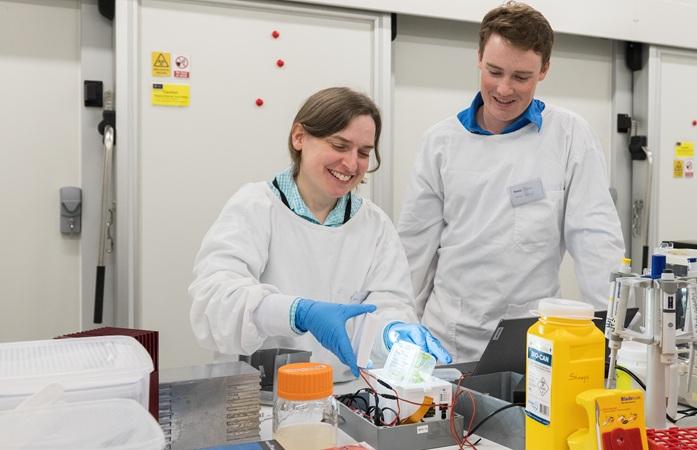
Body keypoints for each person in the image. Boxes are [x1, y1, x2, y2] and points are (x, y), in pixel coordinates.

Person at [397, 2, 625, 363]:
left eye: (521, 77)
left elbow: (596, 239)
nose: (504, 89)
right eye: (494, 71)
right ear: (478, 58)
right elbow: (413, 250)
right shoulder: (440, 141)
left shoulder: (568, 135)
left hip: (532, 340)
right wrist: (400, 330)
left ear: (544, 70)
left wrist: (615, 337)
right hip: (447, 339)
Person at [189, 87, 451, 380]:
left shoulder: (374, 225)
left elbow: (389, 306)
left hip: (345, 395)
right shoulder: (255, 206)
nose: (351, 164)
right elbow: (215, 304)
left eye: (364, 153)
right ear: (299, 137)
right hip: (259, 400)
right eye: (339, 146)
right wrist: (298, 313)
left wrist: (392, 332)